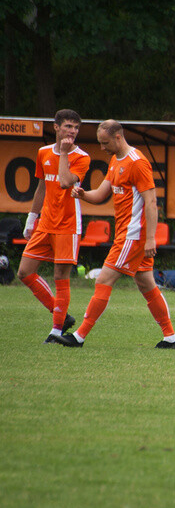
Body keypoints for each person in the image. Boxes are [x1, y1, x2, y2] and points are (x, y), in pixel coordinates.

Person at [55, 120, 175, 349]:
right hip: (127, 234)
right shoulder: (115, 161)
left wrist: (151, 238)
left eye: (105, 142)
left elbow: (151, 202)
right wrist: (82, 194)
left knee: (103, 280)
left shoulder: (137, 163)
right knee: (146, 284)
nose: (102, 148)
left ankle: (79, 336)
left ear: (118, 137)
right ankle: (170, 337)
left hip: (133, 235)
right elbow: (102, 194)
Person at [17, 109, 90, 344]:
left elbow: (65, 182)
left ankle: (56, 330)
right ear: (56, 127)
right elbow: (42, 187)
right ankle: (60, 313)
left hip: (68, 226)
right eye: (68, 126)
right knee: (24, 272)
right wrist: (32, 217)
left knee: (61, 277)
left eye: (76, 128)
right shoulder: (43, 152)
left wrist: (66, 154)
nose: (73, 132)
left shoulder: (81, 157)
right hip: (45, 223)